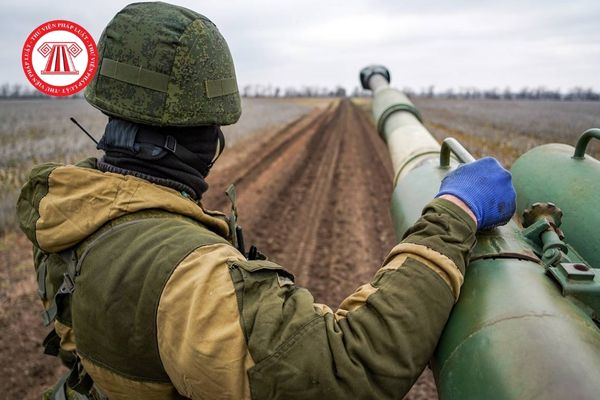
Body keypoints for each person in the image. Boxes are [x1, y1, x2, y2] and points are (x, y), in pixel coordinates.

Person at [16, 2, 516, 399]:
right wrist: (456, 211)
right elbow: (349, 370)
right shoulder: (190, 276)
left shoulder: (70, 210)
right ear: (207, 138)